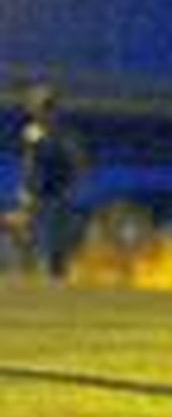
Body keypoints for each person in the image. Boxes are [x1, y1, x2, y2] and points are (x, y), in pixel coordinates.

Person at [15, 84, 88, 279]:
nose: (33, 110)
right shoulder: (32, 131)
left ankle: (56, 276)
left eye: (39, 106)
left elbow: (77, 161)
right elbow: (29, 162)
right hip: (40, 192)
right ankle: (32, 275)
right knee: (30, 235)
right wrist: (26, 188)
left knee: (56, 241)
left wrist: (73, 184)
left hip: (56, 192)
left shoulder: (63, 134)